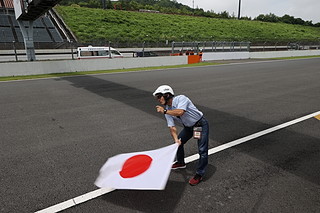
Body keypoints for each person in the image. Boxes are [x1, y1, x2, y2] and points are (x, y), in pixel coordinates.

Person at [153, 85, 209, 186]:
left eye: (159, 96)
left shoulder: (181, 99)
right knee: (179, 143)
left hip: (200, 125)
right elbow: (172, 127)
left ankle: (199, 174)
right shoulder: (167, 110)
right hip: (188, 127)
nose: (158, 99)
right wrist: (176, 141)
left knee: (202, 150)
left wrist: (165, 111)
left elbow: (180, 112)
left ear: (167, 95)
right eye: (157, 97)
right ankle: (180, 162)